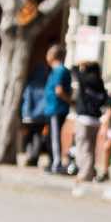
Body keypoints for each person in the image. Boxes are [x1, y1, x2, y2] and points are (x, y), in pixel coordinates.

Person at [71, 60, 111, 180]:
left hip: (84, 118)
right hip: (96, 120)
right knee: (91, 148)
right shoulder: (100, 83)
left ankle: (85, 174)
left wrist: (82, 63)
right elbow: (105, 100)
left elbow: (73, 69)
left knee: (83, 147)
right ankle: (90, 172)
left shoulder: (84, 78)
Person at [39, 44, 73, 173]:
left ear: (52, 56)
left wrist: (70, 101)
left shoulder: (60, 70)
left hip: (56, 108)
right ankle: (52, 161)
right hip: (51, 108)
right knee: (50, 137)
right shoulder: (54, 71)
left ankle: (56, 163)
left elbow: (59, 90)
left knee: (54, 137)